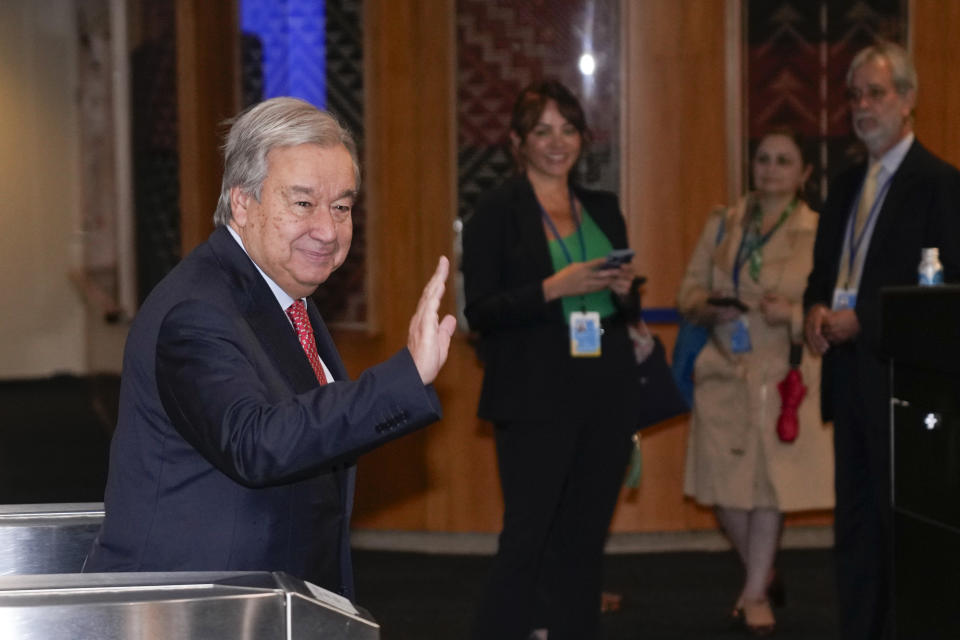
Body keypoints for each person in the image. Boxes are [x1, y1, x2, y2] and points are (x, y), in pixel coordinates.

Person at [84, 97, 458, 600]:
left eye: (342, 207)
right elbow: (256, 443)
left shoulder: (282, 294)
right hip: (191, 611)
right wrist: (404, 376)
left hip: (263, 602)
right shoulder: (197, 310)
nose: (327, 230)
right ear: (242, 202)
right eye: (302, 204)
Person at [462, 80, 640, 640]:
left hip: (604, 392)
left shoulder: (604, 208)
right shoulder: (494, 210)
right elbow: (482, 311)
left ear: (583, 138)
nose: (557, 142)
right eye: (542, 130)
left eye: (567, 129)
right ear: (519, 140)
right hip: (534, 396)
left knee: (584, 542)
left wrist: (626, 289)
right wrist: (551, 287)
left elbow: (621, 304)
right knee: (526, 539)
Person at [803, 42, 960, 640]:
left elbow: (947, 295)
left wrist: (865, 319)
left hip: (907, 390)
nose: (863, 106)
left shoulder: (938, 184)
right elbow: (822, 276)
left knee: (905, 532)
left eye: (877, 93)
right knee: (856, 531)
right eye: (855, 95)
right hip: (849, 382)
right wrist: (815, 311)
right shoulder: (843, 187)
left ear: (909, 99)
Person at [678, 128, 834, 635]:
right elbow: (688, 291)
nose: (770, 169)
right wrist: (708, 308)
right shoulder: (725, 223)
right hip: (724, 370)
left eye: (784, 161)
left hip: (783, 372)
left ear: (805, 172)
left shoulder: (821, 230)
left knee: (769, 488)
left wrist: (791, 314)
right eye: (763, 159)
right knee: (723, 491)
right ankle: (763, 569)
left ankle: (753, 594)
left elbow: (832, 309)